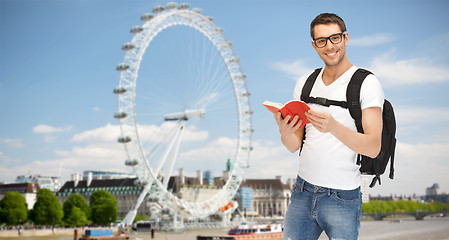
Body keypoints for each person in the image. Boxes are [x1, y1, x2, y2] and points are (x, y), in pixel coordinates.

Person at [275, 13, 384, 240]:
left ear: (345, 38)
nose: (329, 46)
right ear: (314, 45)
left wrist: (334, 127)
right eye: (322, 41)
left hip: (342, 197)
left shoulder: (366, 83)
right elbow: (293, 145)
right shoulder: (304, 84)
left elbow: (373, 147)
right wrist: (284, 131)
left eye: (335, 38)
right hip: (302, 192)